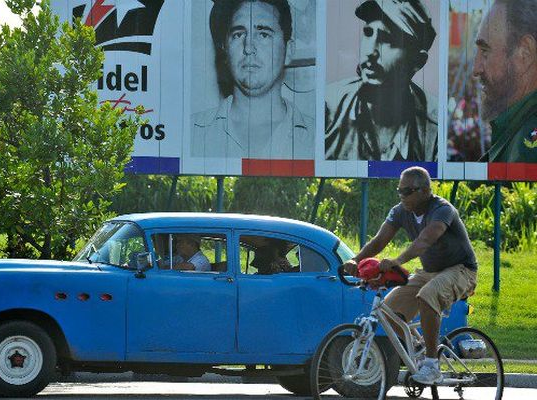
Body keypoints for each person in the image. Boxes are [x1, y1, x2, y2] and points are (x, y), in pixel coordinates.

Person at [343, 166, 477, 385]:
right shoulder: (400, 211)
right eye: (399, 191)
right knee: (386, 312)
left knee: (427, 295)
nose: (402, 196)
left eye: (407, 191)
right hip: (429, 272)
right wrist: (355, 260)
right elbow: (379, 240)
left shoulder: (442, 209)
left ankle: (432, 365)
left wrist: (398, 261)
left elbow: (425, 239)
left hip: (461, 270)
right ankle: (419, 347)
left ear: (424, 190)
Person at [191, 0, 314, 159]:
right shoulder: (191, 132)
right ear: (226, 49)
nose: (248, 47)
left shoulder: (320, 139)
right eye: (238, 34)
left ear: (288, 51)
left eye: (264, 34)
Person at [325, 0, 438, 162]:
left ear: (417, 61)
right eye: (368, 33)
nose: (371, 51)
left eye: (388, 39)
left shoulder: (436, 128)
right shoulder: (328, 107)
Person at [473, 0, 537, 163]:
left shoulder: (527, 142)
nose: (476, 69)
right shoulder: (516, 127)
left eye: (485, 52)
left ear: (525, 52)